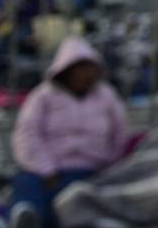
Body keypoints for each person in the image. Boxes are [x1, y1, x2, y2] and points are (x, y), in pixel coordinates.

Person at [10, 36, 128, 228]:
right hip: (46, 169)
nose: (86, 76)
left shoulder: (106, 96)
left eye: (90, 71)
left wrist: (110, 164)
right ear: (66, 70)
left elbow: (119, 133)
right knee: (28, 185)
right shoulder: (43, 96)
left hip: (91, 169)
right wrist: (47, 169)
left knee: (75, 203)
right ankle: (26, 216)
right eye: (80, 70)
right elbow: (27, 134)